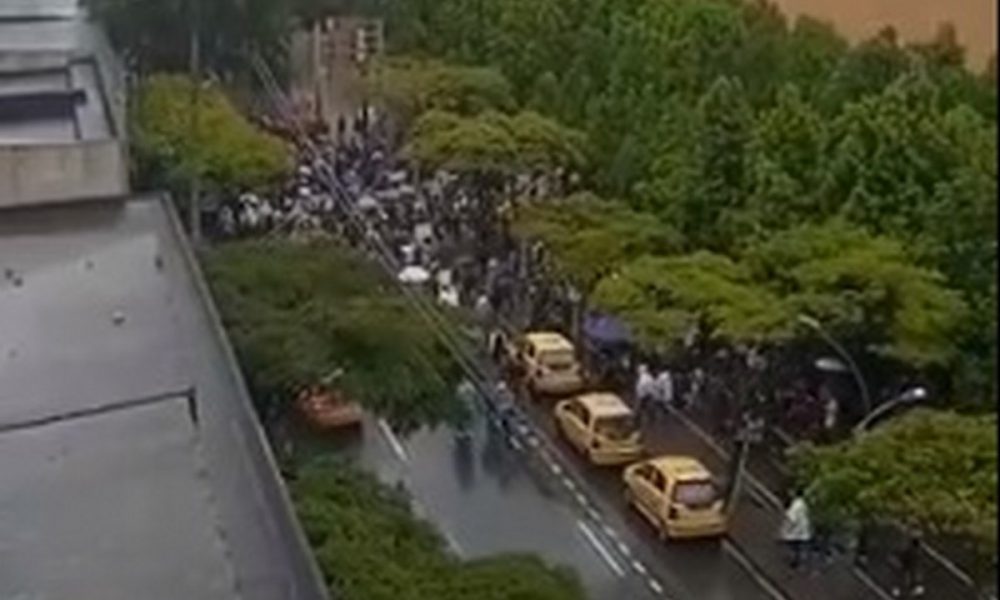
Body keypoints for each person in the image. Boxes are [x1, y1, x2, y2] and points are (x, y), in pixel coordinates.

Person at [779, 489, 812, 570]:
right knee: (799, 545)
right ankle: (799, 560)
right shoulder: (803, 504)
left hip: (795, 530)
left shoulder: (795, 506)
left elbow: (791, 519)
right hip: (802, 528)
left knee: (793, 544)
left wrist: (786, 529)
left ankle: (795, 560)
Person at [892, 534, 925, 598]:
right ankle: (901, 590)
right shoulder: (914, 551)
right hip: (907, 564)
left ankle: (900, 590)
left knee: (906, 576)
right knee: (906, 576)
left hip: (908, 565)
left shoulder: (913, 551)